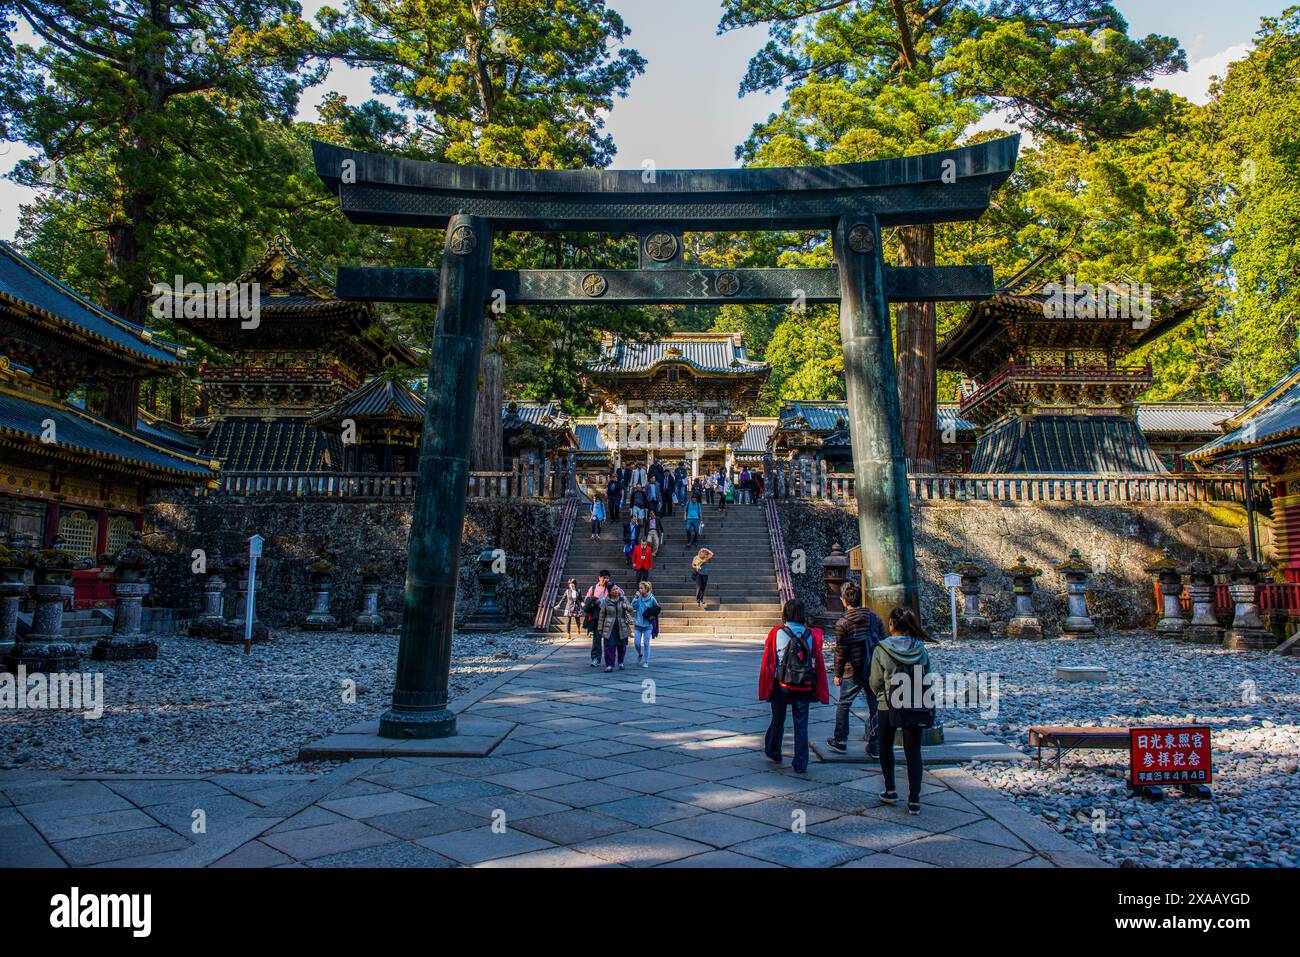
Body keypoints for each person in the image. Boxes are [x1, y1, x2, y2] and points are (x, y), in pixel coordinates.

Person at [869, 606, 933, 815]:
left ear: (891, 624)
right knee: (913, 751)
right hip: (914, 701)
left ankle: (890, 789)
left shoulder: (882, 648)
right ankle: (914, 798)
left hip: (888, 702)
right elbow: (927, 675)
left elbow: (875, 680)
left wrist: (880, 693)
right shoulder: (920, 649)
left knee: (885, 745)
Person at [758, 598, 829, 774]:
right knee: (801, 723)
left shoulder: (777, 632)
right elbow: (816, 659)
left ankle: (774, 751)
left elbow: (770, 660)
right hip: (804, 683)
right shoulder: (811, 634)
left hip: (781, 682)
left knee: (778, 718)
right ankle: (801, 762)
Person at [827, 581, 882, 758]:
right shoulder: (873, 618)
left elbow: (840, 652)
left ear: (844, 601)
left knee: (844, 703)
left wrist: (837, 673)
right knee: (875, 705)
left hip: (852, 669)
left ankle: (841, 739)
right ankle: (876, 744)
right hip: (873, 667)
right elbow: (883, 642)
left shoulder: (842, 623)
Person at [597, 584, 635, 672]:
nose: (616, 591)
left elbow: (631, 609)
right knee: (609, 647)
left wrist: (626, 607)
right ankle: (609, 665)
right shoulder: (606, 601)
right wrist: (600, 627)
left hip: (621, 626)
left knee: (622, 646)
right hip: (609, 627)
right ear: (610, 591)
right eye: (614, 589)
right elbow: (602, 615)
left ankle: (621, 662)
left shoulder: (623, 599)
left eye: (617, 589)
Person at [583, 572, 612, 667]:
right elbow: (586, 600)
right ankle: (595, 658)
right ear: (599, 578)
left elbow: (621, 594)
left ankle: (610, 660)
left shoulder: (611, 588)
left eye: (607, 578)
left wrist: (612, 586)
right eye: (604, 577)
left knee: (609, 639)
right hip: (596, 617)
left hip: (608, 616)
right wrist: (595, 600)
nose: (605, 580)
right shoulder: (593, 588)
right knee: (597, 639)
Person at [630, 580, 660, 668]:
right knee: (637, 643)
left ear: (646, 589)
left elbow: (657, 608)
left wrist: (652, 613)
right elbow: (632, 607)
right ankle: (640, 654)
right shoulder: (638, 598)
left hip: (648, 625)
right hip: (638, 624)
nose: (639, 590)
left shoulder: (652, 598)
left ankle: (646, 661)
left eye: (641, 588)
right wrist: (635, 597)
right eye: (639, 588)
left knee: (646, 643)